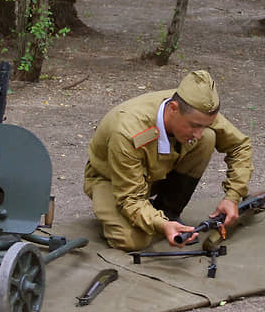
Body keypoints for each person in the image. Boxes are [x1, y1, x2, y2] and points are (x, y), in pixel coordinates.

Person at [83, 70, 254, 251]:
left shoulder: (198, 110)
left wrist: (232, 197)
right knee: (132, 241)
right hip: (112, 180)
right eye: (194, 126)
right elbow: (130, 199)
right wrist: (161, 225)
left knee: (207, 138)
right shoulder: (127, 131)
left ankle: (169, 211)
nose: (197, 133)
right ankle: (132, 219)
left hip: (153, 174)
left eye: (204, 125)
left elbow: (240, 146)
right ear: (173, 109)